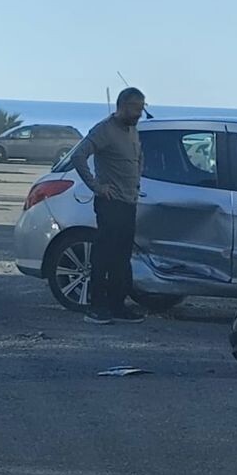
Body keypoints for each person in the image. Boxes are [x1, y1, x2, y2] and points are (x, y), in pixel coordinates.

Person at [69, 87, 147, 325]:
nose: (139, 112)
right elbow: (78, 156)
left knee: (121, 257)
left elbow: (137, 157)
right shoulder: (104, 130)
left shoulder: (132, 131)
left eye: (142, 107)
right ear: (122, 105)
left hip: (129, 202)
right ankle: (96, 306)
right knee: (104, 255)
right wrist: (97, 186)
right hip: (110, 203)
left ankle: (117, 304)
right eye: (135, 107)